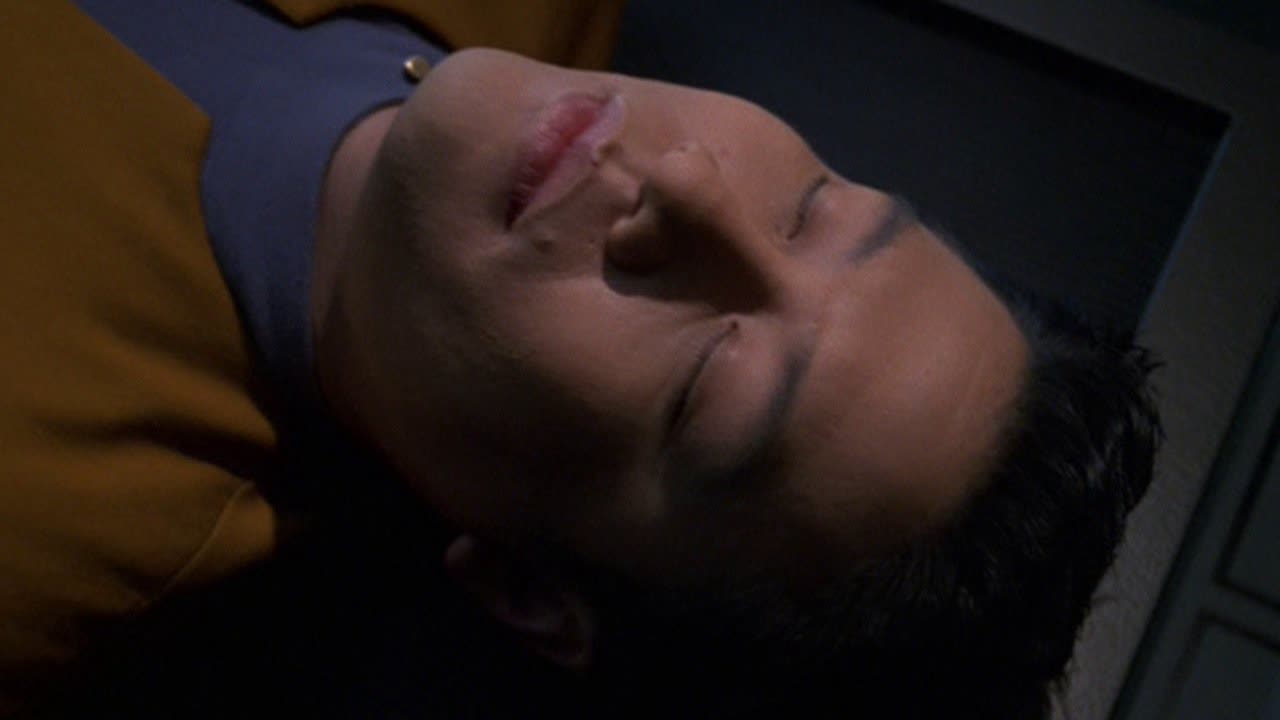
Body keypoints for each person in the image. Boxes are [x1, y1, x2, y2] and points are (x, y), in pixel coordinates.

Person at [0, 1, 1160, 717]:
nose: (692, 190)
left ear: (527, 589)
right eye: (811, 208)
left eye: (703, 385)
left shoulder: (46, 528)